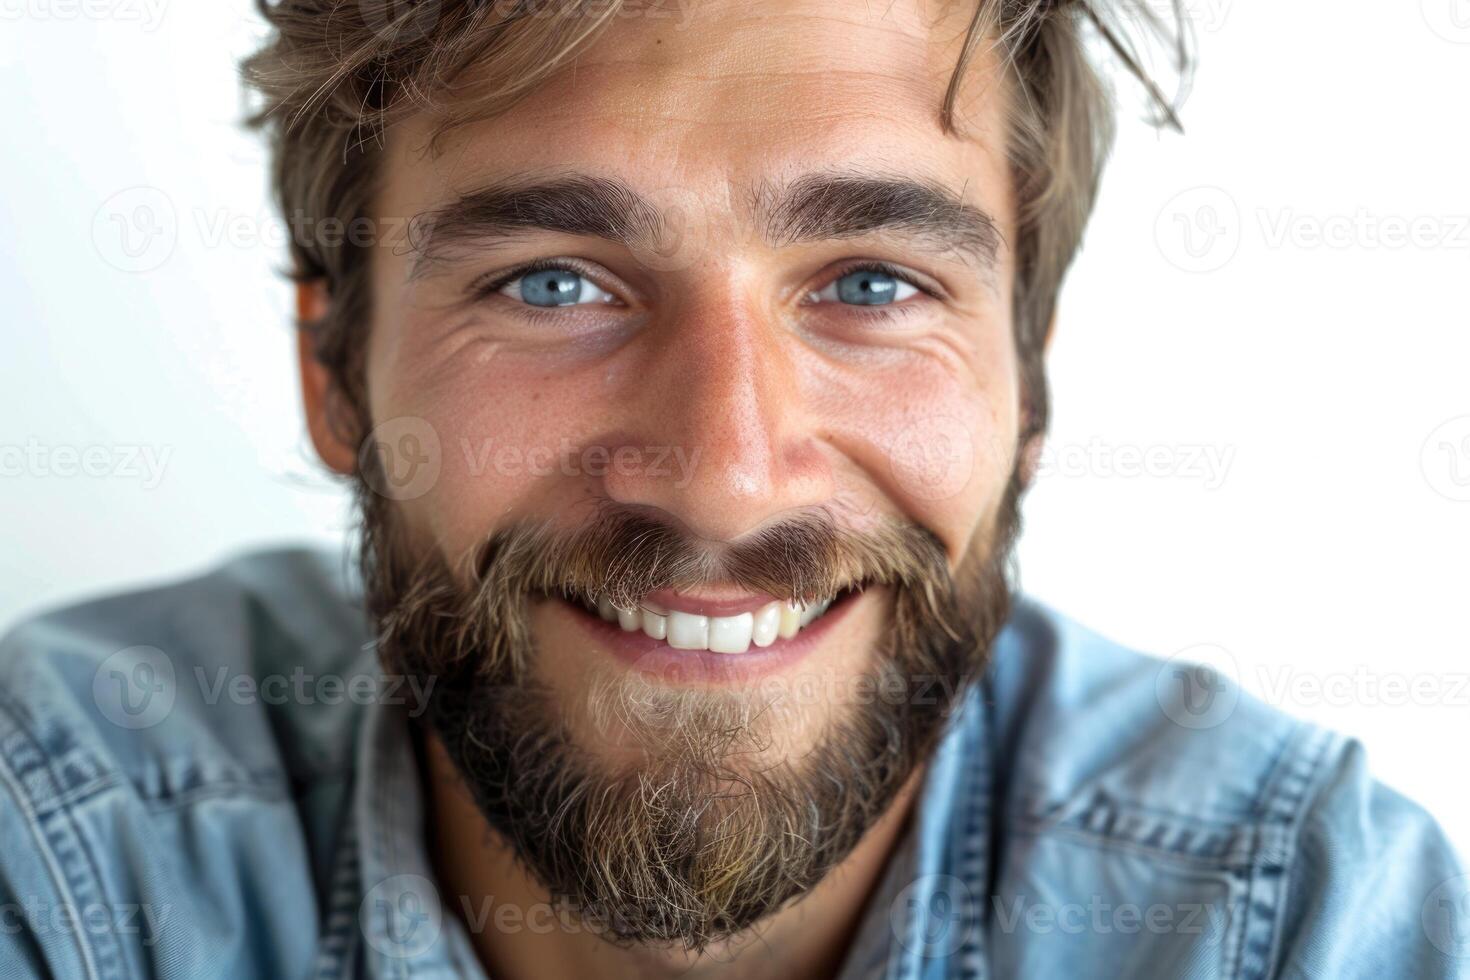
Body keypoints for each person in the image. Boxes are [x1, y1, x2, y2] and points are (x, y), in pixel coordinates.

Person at [1, 1, 1464, 977]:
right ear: (334, 370)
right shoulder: (63, 850)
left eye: (873, 284)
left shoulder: (1294, 920)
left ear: (1024, 384)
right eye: (553, 282)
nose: (721, 477)